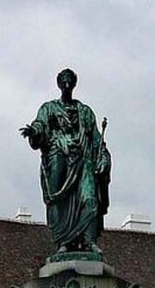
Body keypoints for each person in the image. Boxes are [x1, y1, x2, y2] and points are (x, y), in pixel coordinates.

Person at [20, 68, 112, 255]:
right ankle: (64, 241)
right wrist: (34, 132)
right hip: (59, 159)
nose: (67, 85)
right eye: (64, 81)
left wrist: (103, 157)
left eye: (70, 81)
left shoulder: (85, 112)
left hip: (83, 161)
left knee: (89, 198)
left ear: (74, 84)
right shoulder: (49, 109)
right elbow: (40, 125)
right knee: (58, 201)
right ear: (59, 84)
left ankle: (89, 241)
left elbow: (96, 140)